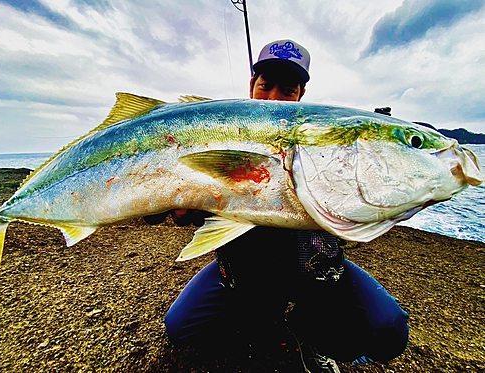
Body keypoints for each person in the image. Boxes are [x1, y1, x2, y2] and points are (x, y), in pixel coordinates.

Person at [163, 40, 409, 373]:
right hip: (244, 272)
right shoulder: (219, 136)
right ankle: (259, 317)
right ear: (251, 86)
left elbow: (354, 207)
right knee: (181, 329)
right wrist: (183, 211)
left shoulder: (319, 146)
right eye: (265, 87)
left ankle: (314, 336)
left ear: (301, 96)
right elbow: (183, 192)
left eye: (288, 91)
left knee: (389, 329)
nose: (274, 99)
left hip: (315, 274)